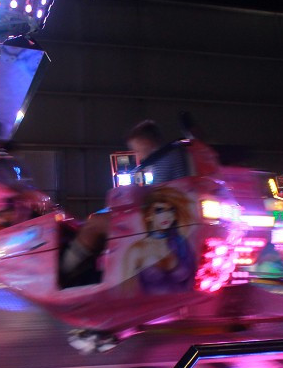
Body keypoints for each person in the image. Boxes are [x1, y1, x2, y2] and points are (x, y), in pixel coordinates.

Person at [60, 120, 192, 286]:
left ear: (146, 142)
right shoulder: (167, 158)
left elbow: (159, 196)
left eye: (136, 149)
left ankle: (63, 275)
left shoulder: (166, 157)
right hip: (162, 215)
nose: (136, 154)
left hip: (160, 220)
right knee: (98, 220)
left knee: (95, 223)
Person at [122, 186, 197, 294]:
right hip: (152, 310)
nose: (167, 216)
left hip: (185, 308)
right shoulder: (137, 250)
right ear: (149, 215)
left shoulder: (182, 245)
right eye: (159, 210)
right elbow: (126, 294)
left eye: (171, 210)